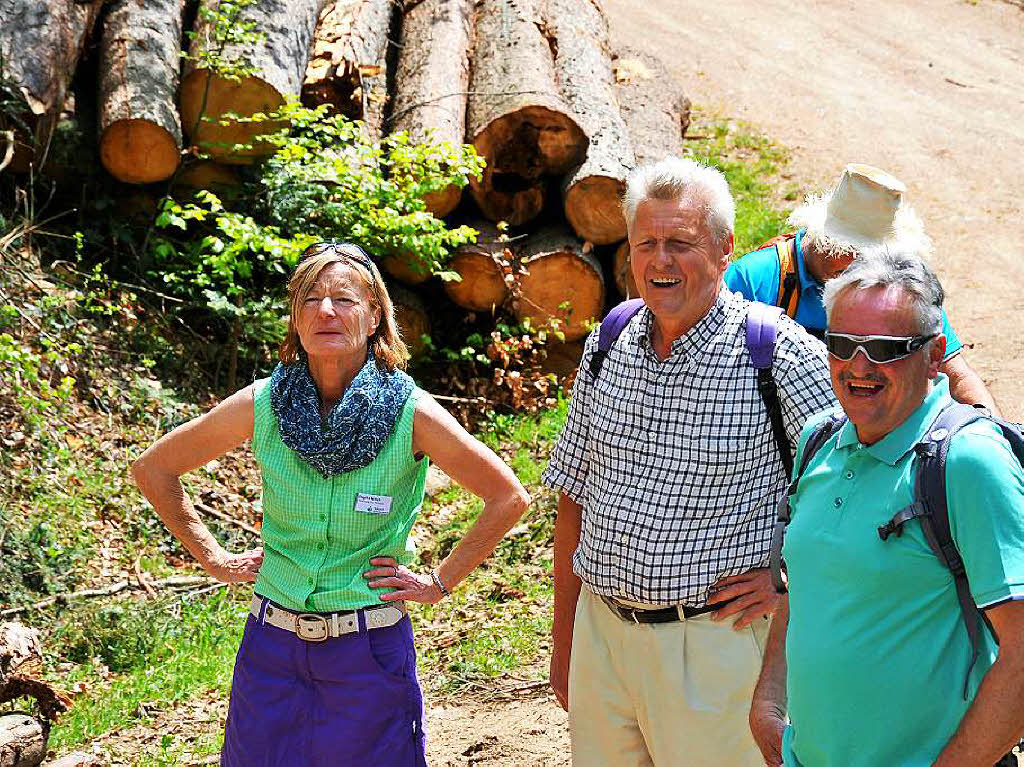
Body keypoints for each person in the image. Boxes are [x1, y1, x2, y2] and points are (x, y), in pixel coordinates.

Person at [131, 242, 531, 766]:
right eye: (311, 299)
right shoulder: (262, 404)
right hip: (271, 650)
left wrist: (439, 582)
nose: (325, 310)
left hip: (367, 651)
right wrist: (214, 558)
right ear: (295, 321)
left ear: (374, 318)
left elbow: (508, 496)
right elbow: (153, 468)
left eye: (343, 299)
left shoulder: (411, 413)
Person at [543, 156, 836, 766]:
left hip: (717, 649)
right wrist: (565, 634)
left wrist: (786, 580)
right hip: (603, 640)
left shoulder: (780, 356)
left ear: (725, 248)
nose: (660, 261)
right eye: (646, 243)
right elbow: (573, 494)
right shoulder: (609, 340)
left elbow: (851, 495)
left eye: (681, 242)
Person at [749, 251, 1024, 767]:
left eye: (884, 348)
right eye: (842, 344)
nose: (859, 367)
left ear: (936, 353)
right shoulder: (818, 440)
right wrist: (768, 702)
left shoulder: (968, 462)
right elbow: (805, 581)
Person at [723, 163, 999, 413]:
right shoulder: (755, 279)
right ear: (822, 238)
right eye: (849, 250)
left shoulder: (896, 278)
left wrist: (996, 436)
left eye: (872, 252)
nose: (863, 265)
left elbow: (956, 375)